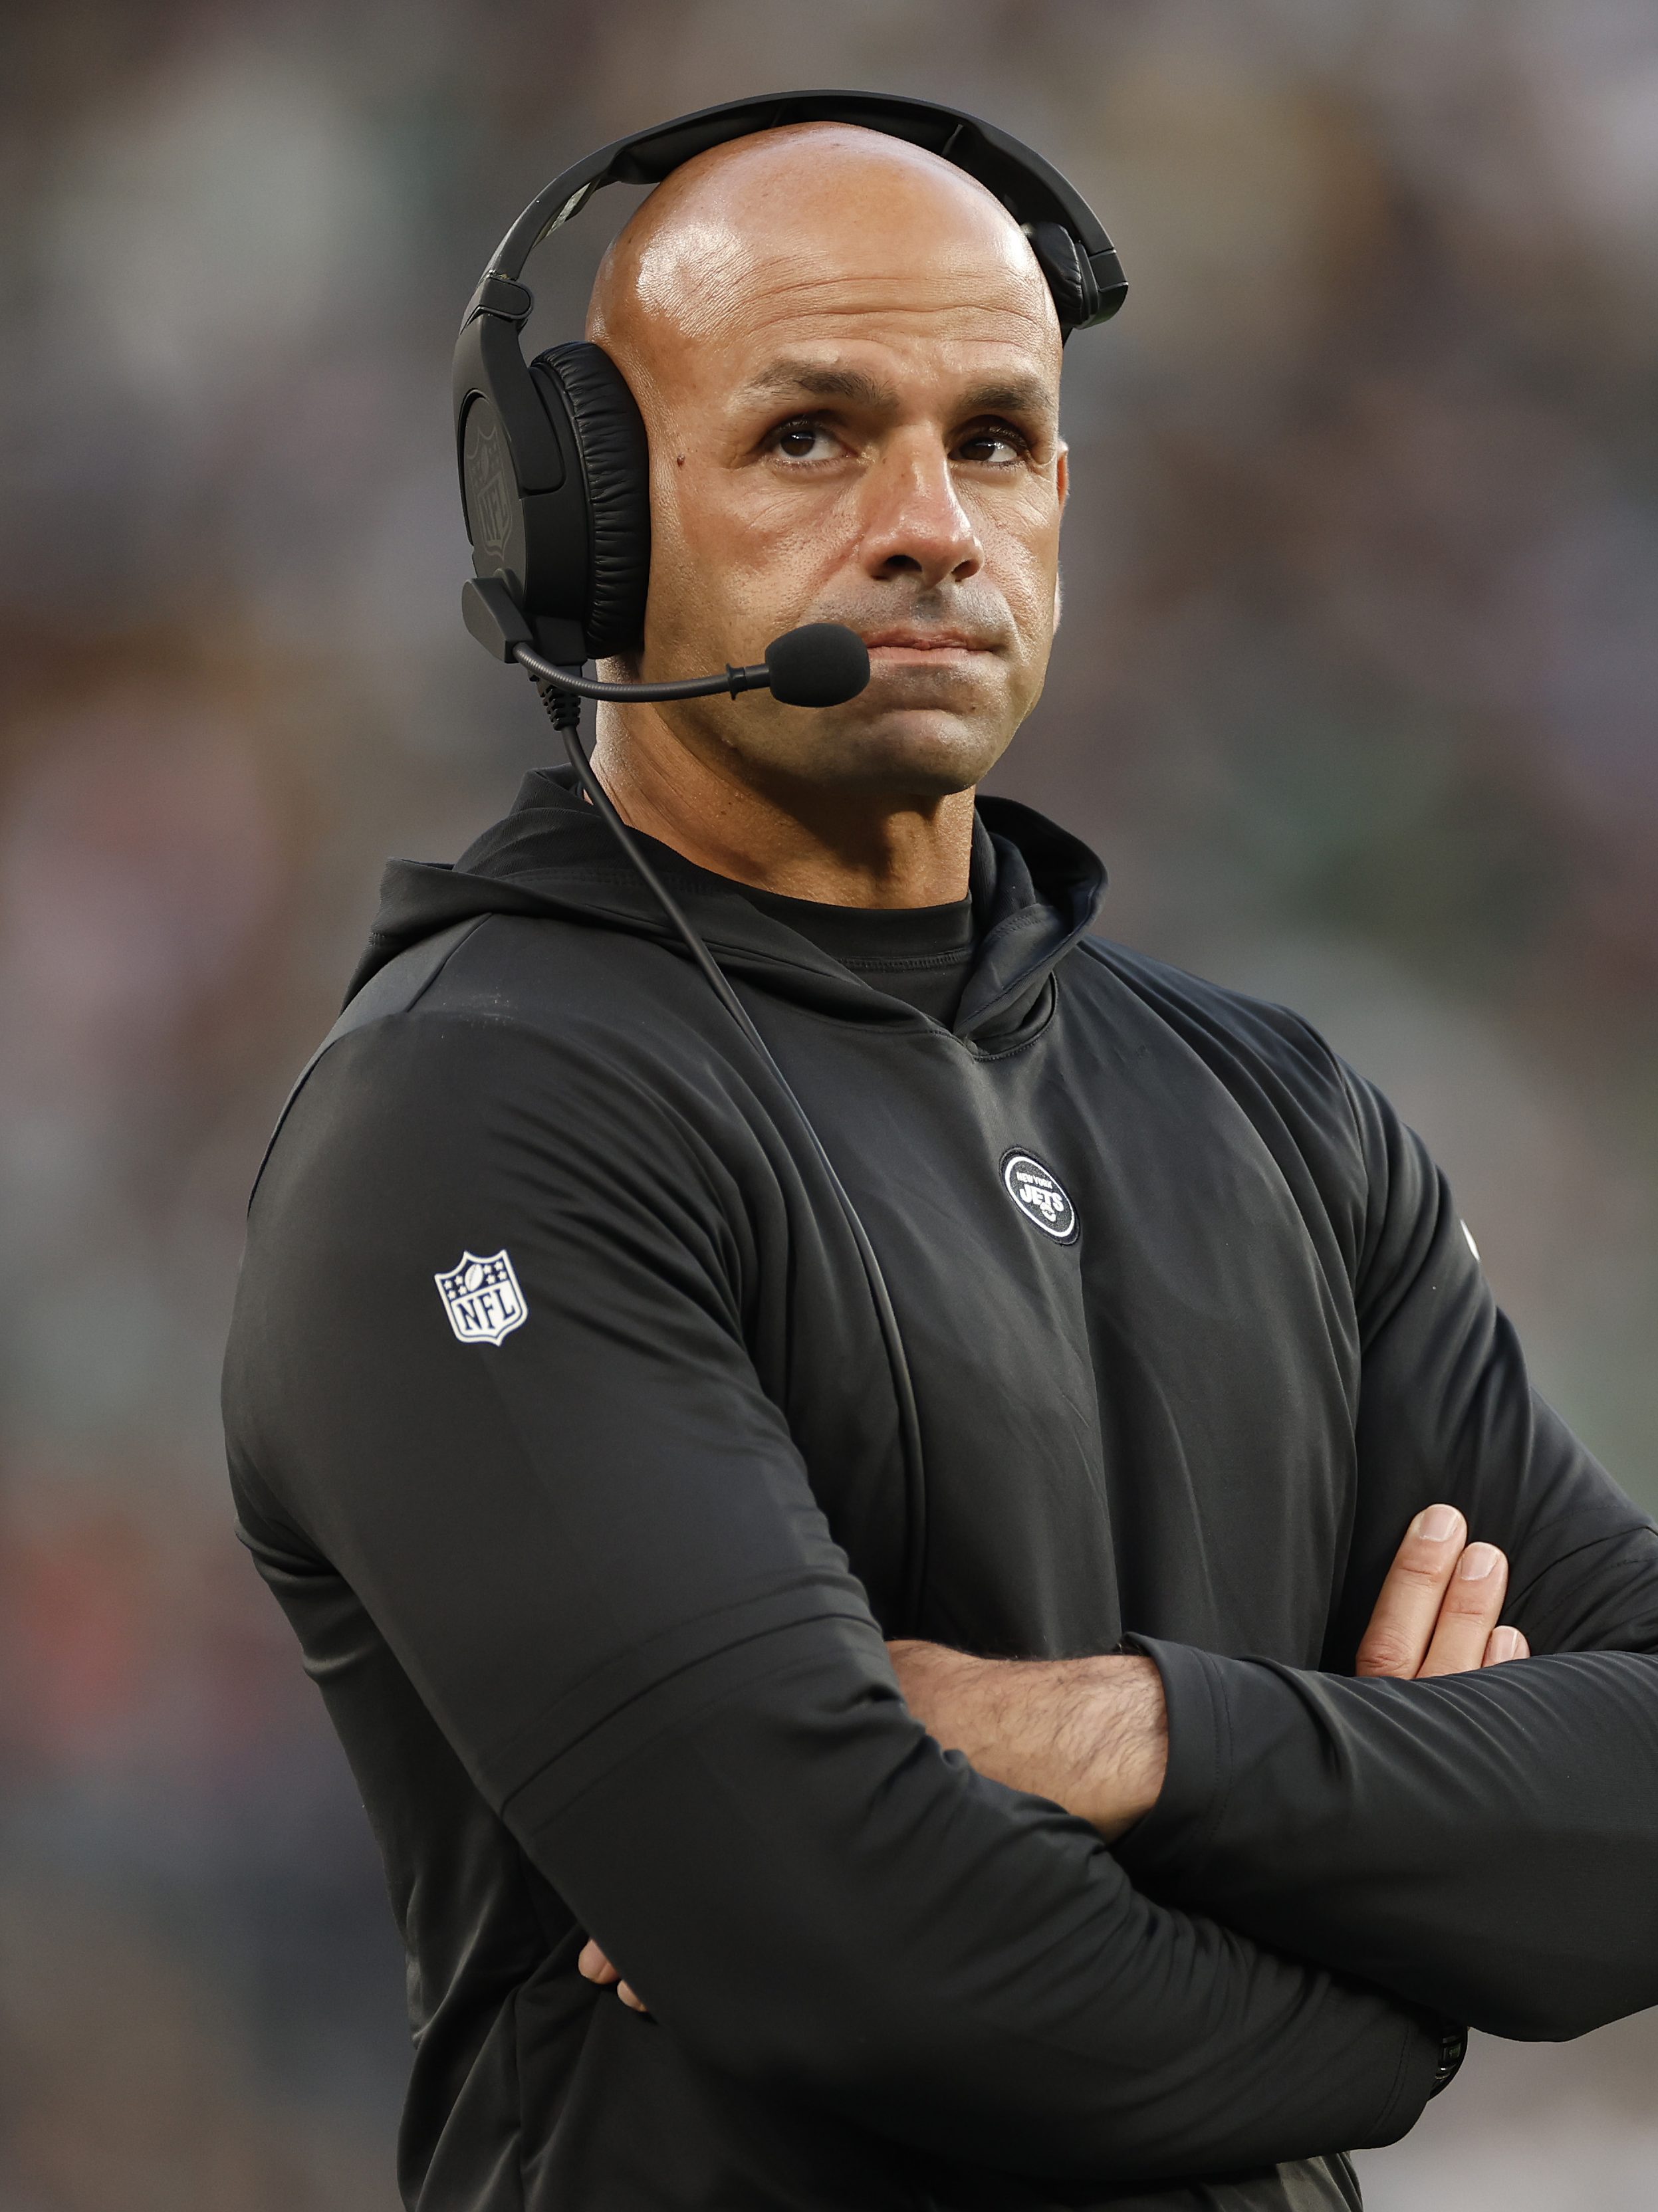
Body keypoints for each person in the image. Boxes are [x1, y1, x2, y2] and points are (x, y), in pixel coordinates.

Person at [222, 118, 1658, 2212]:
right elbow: (856, 1955)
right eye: (812, 437)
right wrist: (1403, 1970)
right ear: (583, 525)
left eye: (993, 439)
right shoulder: (472, 1116)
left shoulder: (1272, 1107)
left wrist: (1131, 1735)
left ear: (1065, 498)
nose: (930, 525)